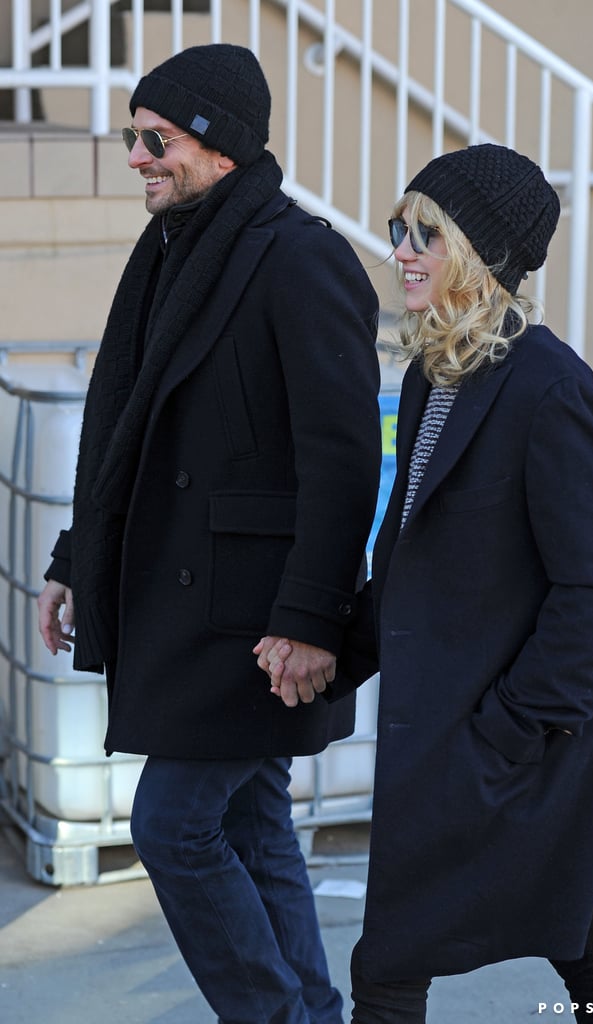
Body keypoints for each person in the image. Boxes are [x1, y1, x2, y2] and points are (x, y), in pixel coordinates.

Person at [259, 144, 593, 1023]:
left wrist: (505, 734)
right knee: (582, 949)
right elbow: (411, 565)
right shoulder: (432, 376)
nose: (399, 249)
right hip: (467, 741)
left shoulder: (549, 387)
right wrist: (327, 650)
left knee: (392, 968)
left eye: (424, 234)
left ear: (481, 255)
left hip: (522, 746)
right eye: (400, 229)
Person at [36, 44, 382, 1024]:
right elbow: (129, 431)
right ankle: (311, 1012)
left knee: (175, 825)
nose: (138, 157)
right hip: (193, 610)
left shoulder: (299, 256)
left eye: (156, 138)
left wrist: (313, 616)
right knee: (250, 819)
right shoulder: (173, 250)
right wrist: (75, 558)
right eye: (132, 138)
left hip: (257, 621)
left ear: (219, 142)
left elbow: (343, 458)